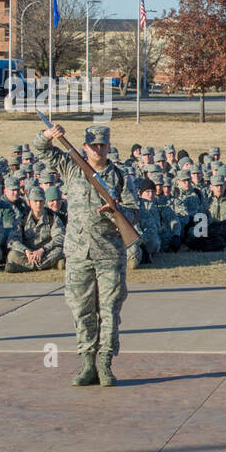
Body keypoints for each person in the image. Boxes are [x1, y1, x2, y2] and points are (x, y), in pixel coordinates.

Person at [35, 123, 140, 387]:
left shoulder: (120, 176)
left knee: (109, 310)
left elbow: (135, 211)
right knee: (81, 308)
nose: (98, 149)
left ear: (108, 146)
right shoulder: (72, 167)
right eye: (93, 145)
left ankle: (105, 363)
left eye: (102, 145)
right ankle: (86, 363)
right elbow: (41, 150)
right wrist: (48, 136)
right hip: (78, 252)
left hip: (109, 254)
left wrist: (116, 210)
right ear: (85, 147)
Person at [5, 185, 66, 272]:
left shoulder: (52, 217)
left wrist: (42, 250)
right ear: (29, 202)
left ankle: (23, 267)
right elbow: (12, 240)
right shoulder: (22, 219)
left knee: (60, 251)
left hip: (46, 252)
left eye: (41, 201)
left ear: (44, 201)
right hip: (28, 253)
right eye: (35, 201)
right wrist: (26, 250)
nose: (38, 204)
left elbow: (60, 237)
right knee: (12, 255)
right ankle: (50, 264)